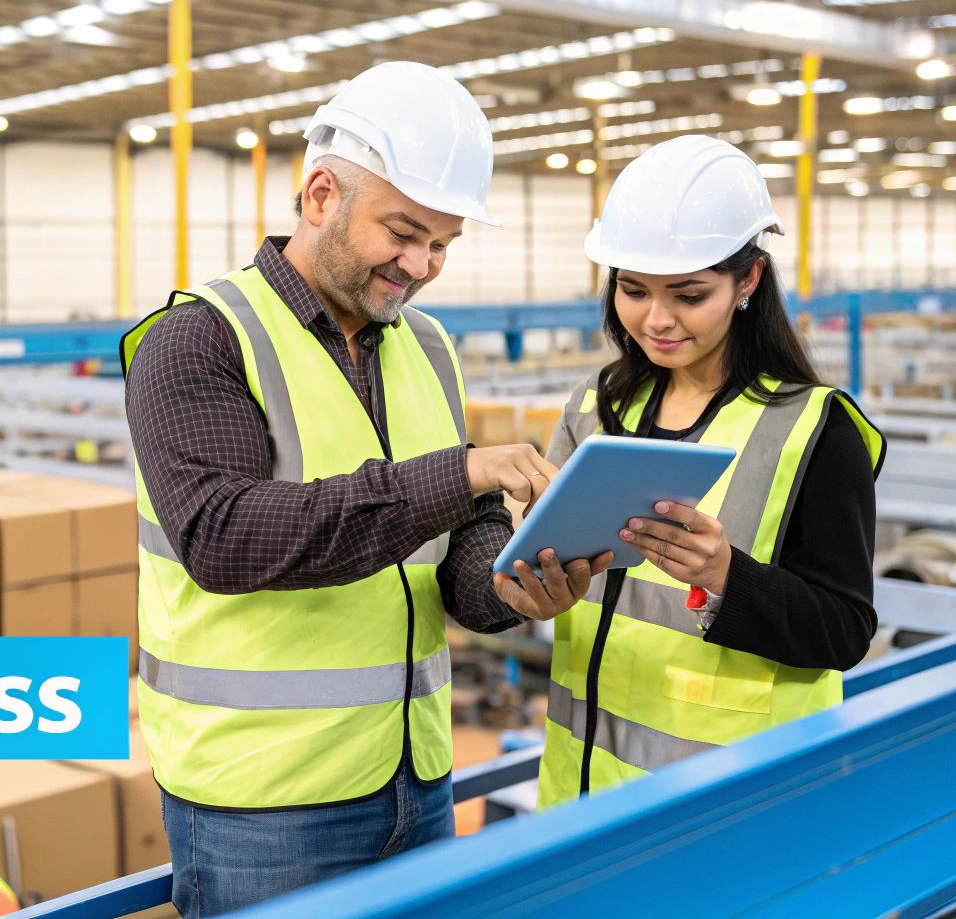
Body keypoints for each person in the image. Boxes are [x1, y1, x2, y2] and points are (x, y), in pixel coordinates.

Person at [122, 61, 607, 918]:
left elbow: (462, 548)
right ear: (321, 196)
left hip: (417, 779)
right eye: (404, 232)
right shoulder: (198, 340)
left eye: (443, 244)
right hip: (263, 804)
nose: (420, 265)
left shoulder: (430, 350)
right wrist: (460, 471)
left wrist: (514, 587)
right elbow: (224, 538)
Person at [533, 134, 886, 806]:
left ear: (748, 280)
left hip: (732, 802)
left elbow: (844, 630)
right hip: (579, 797)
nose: (656, 320)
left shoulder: (815, 428)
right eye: (632, 290)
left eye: (689, 295)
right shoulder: (595, 406)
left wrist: (727, 577)